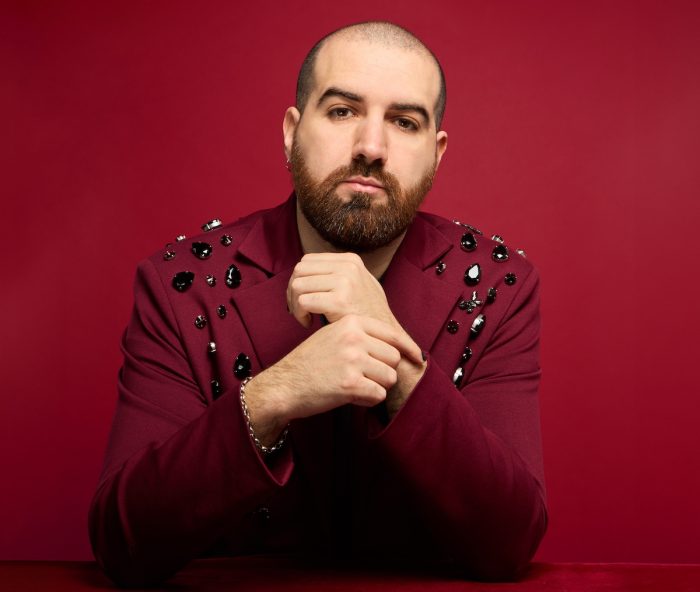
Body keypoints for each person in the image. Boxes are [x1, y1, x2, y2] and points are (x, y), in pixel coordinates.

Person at [89, 20, 547, 587]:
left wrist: (397, 362)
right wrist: (275, 395)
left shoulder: (497, 286)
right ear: (291, 132)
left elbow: (509, 541)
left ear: (436, 154)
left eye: (404, 122)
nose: (371, 148)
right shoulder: (184, 283)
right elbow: (123, 541)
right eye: (342, 111)